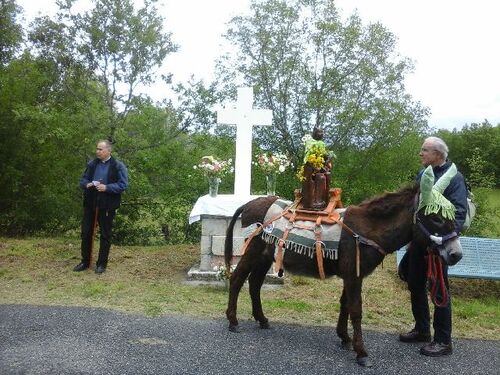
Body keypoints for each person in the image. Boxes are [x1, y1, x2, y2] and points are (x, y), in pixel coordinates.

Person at [399, 136, 467, 356]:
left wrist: (442, 239)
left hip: (438, 245)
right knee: (414, 282)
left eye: (425, 150)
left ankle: (443, 341)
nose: (421, 153)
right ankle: (422, 330)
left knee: (439, 291)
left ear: (438, 154)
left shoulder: (454, 178)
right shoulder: (423, 174)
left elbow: (458, 212)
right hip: (419, 241)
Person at [73, 140, 128, 274]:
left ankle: (101, 264)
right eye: (97, 149)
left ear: (109, 151)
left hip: (107, 205)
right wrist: (87, 185)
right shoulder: (92, 164)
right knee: (86, 233)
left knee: (105, 235)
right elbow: (83, 180)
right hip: (90, 203)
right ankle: (85, 262)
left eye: (100, 149)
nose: (97, 151)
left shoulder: (118, 166)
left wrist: (107, 187)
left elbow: (123, 185)